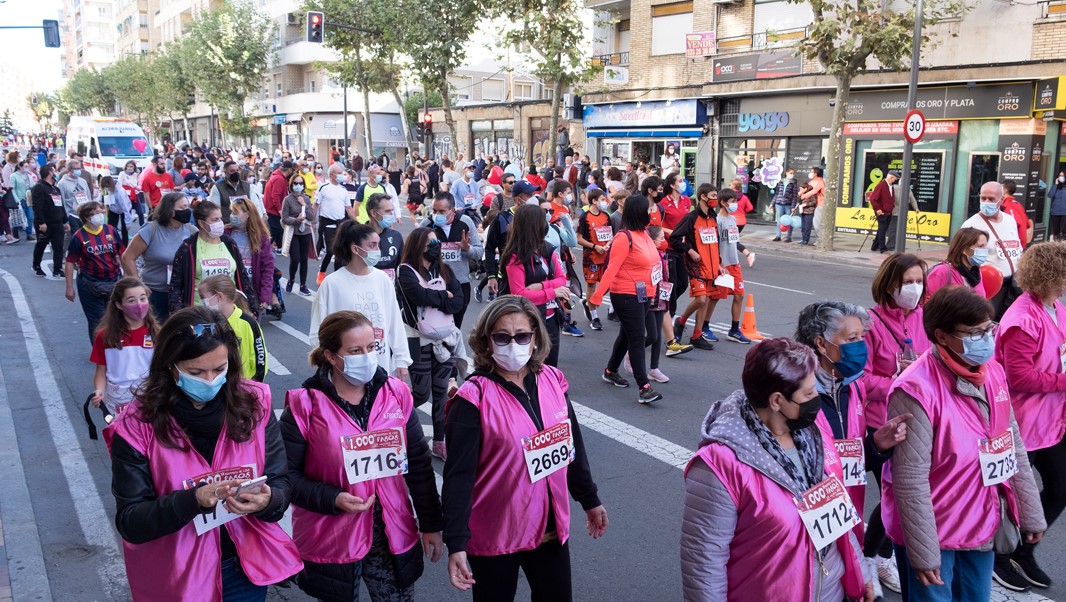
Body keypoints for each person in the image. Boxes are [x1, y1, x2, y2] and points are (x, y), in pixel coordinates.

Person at [106, 306, 302, 601]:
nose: (210, 380)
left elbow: (279, 483)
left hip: (243, 566)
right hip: (177, 576)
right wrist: (192, 501)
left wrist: (268, 500)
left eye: (219, 369)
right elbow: (131, 521)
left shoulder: (255, 403)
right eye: (196, 372)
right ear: (170, 366)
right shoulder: (136, 426)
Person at [882, 286, 1045, 601]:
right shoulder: (914, 390)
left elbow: (1011, 443)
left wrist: (1030, 511)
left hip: (982, 520)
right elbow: (910, 478)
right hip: (934, 531)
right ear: (942, 336)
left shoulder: (993, 372)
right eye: (975, 333)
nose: (986, 338)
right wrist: (925, 551)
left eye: (988, 329)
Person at [680, 337, 874, 601]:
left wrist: (861, 575)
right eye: (808, 393)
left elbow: (837, 516)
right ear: (777, 401)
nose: (816, 399)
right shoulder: (720, 466)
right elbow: (704, 564)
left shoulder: (814, 436)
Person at [442, 295, 608, 601]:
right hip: (496, 534)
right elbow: (459, 477)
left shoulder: (553, 380)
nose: (513, 344)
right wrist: (456, 542)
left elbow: (571, 448)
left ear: (535, 339)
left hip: (549, 530)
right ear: (487, 341)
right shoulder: (472, 398)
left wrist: (589, 499)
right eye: (502, 337)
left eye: (522, 336)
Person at [281, 310, 444, 600]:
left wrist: (431, 523)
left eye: (371, 348)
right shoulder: (304, 405)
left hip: (392, 532)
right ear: (331, 356)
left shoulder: (396, 393)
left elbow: (418, 463)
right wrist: (332, 498)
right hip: (332, 536)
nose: (367, 357)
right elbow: (285, 479)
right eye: (355, 351)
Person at [992, 241, 1066, 590]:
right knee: (1012, 495)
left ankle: (1024, 549)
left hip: (1052, 420)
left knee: (1060, 488)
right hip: (1022, 423)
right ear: (1051, 274)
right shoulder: (1022, 318)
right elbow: (1018, 377)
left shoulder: (1055, 307)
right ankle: (999, 555)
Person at [396, 227, 467, 459]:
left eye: (436, 242)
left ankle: (439, 442)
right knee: (421, 394)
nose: (435, 247)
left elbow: (458, 301)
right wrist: (443, 297)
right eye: (429, 243)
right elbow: (418, 296)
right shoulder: (406, 271)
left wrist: (442, 300)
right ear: (417, 245)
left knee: (441, 394)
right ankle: (393, 422)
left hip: (444, 340)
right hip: (419, 341)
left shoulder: (444, 270)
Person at [310, 221, 412, 381]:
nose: (377, 250)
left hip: (380, 365)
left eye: (378, 245)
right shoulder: (332, 284)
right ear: (355, 249)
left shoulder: (382, 279)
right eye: (372, 245)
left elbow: (394, 322)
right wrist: (328, 363)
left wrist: (402, 360)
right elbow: (318, 329)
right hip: (345, 370)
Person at [590, 196, 665, 404]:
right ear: (637, 213)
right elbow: (611, 268)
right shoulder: (624, 237)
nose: (652, 212)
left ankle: (610, 370)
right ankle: (644, 387)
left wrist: (652, 294)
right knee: (638, 337)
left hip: (643, 295)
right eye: (648, 210)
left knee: (630, 335)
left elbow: (653, 266)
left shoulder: (645, 235)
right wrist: (596, 297)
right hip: (625, 294)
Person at [499, 203, 570, 369]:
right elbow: (520, 294)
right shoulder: (514, 257)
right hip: (527, 320)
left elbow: (562, 278)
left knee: (551, 366)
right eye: (542, 218)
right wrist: (552, 292)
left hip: (551, 316)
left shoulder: (546, 249)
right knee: (531, 367)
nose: (546, 223)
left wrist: (541, 286)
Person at [169, 200, 257, 314]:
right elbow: (176, 286)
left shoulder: (229, 243)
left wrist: (252, 308)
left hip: (231, 312)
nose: (220, 223)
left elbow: (242, 277)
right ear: (201, 223)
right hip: (200, 314)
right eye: (215, 220)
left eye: (220, 218)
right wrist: (179, 315)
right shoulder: (188, 247)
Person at [121, 193, 197, 321]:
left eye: (187, 207)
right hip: (154, 292)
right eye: (183, 208)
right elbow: (127, 257)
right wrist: (138, 284)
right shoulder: (151, 230)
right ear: (171, 211)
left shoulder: (192, 231)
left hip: (182, 293)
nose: (187, 211)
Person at [692, 188, 753, 345]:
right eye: (732, 202)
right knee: (715, 297)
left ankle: (734, 329)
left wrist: (746, 253)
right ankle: (704, 326)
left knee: (739, 295)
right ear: (723, 203)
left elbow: (735, 241)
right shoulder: (717, 221)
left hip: (734, 263)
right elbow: (713, 243)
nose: (735, 204)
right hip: (722, 265)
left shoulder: (733, 220)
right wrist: (718, 263)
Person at [90, 277, 157, 416]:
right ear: (119, 305)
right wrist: (99, 390)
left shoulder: (158, 334)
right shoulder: (105, 337)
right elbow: (101, 371)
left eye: (143, 299)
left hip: (149, 398)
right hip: (117, 401)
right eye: (131, 300)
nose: (139, 305)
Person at [670, 185, 722, 351]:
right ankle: (681, 321)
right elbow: (675, 238)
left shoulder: (713, 217)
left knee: (705, 300)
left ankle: (697, 335)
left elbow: (715, 242)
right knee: (700, 299)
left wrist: (719, 263)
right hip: (696, 266)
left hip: (712, 266)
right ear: (703, 197)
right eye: (713, 195)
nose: (716, 199)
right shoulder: (691, 217)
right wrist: (690, 251)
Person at [65, 201, 127, 342]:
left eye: (101, 212)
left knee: (116, 317)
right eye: (97, 213)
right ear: (87, 217)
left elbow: (123, 254)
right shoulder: (79, 237)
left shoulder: (111, 230)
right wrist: (69, 287)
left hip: (114, 280)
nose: (101, 215)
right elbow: (70, 261)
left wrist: (129, 276)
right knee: (97, 321)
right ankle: (100, 353)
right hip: (90, 284)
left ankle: (115, 346)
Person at [961, 181, 1022, 319]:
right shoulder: (971, 224)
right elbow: (962, 258)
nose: (986, 202)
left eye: (991, 199)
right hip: (988, 287)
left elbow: (1017, 248)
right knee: (987, 322)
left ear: (1001, 199)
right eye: (983, 198)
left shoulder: (1009, 220)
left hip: (1012, 286)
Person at [422, 191, 483, 328]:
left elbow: (479, 252)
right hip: (434, 284)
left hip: (460, 283)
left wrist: (467, 249)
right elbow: (415, 253)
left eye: (442, 211)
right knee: (435, 327)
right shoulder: (427, 224)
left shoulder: (465, 222)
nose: (437, 215)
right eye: (434, 210)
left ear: (452, 210)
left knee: (455, 326)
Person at [198, 275, 267, 382]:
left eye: (203, 298)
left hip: (244, 388)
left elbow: (260, 358)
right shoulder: (206, 324)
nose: (202, 303)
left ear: (219, 296)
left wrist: (255, 386)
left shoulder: (248, 323)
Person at [227, 199, 277, 316]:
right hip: (231, 290)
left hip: (252, 289)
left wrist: (265, 296)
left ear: (247, 215)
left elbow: (267, 268)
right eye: (231, 212)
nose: (232, 216)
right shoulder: (226, 233)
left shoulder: (260, 237)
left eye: (235, 213)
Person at [313, 163, 354, 285]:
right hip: (327, 224)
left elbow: (349, 208)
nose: (342, 176)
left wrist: (358, 223)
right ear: (332, 175)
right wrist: (312, 221)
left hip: (340, 224)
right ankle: (321, 272)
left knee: (340, 251)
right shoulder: (323, 188)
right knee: (330, 251)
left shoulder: (343, 190)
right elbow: (316, 205)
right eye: (339, 173)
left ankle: (338, 277)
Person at [577, 189, 611, 331]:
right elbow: (578, 238)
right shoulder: (584, 217)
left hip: (605, 256)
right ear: (594, 201)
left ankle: (589, 302)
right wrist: (595, 246)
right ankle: (594, 316)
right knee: (591, 286)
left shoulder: (606, 216)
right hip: (591, 258)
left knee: (608, 284)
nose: (605, 202)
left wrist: (608, 244)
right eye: (602, 199)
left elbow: (610, 234)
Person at [925, 227, 988, 299]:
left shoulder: (976, 272)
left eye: (985, 246)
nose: (985, 251)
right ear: (965, 249)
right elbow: (927, 301)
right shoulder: (942, 271)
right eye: (980, 246)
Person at [31, 164, 69, 279]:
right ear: (49, 173)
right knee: (41, 244)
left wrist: (64, 221)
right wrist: (41, 222)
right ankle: (36, 266)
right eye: (54, 171)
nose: (56, 173)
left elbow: (60, 205)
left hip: (57, 223)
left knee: (58, 246)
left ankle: (57, 269)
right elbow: (37, 206)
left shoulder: (55, 188)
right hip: (45, 223)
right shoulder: (40, 187)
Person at [281, 173, 317, 296]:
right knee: (295, 259)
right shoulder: (287, 199)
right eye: (295, 183)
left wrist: (304, 205)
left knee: (304, 260)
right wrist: (297, 220)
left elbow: (312, 217)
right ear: (291, 185)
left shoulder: (306, 198)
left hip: (305, 232)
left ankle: (303, 285)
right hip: (294, 231)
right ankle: (291, 280)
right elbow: (284, 218)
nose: (298, 186)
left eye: (300, 183)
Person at [264, 160, 295, 250]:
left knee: (278, 229)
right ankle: (265, 247)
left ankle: (279, 246)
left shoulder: (277, 177)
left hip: (272, 208)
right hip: (273, 209)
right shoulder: (279, 179)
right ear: (289, 170)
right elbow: (275, 196)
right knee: (275, 229)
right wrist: (280, 209)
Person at [870, 171, 900, 253]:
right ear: (891, 177)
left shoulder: (891, 186)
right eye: (895, 179)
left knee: (882, 229)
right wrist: (878, 209)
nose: (895, 181)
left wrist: (891, 207)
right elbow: (873, 199)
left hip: (888, 212)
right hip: (882, 212)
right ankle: (882, 248)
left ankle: (874, 246)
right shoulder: (881, 185)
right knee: (882, 230)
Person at [1001, 180, 1033, 248]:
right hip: (1020, 243)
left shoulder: (1006, 205)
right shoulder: (1018, 204)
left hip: (1013, 245)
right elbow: (1027, 223)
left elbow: (1012, 225)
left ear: (1005, 190)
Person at [771, 169, 798, 242]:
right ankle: (778, 235)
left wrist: (793, 206)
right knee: (779, 220)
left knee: (789, 220)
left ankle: (788, 236)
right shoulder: (781, 181)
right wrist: (772, 203)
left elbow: (795, 196)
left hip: (788, 204)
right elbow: (777, 193)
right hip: (779, 203)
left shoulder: (793, 183)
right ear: (786, 173)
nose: (792, 174)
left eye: (793, 173)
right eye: (790, 173)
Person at [801, 166, 826, 241]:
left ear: (815, 173)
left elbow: (814, 191)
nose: (810, 173)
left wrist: (803, 196)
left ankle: (820, 240)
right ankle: (815, 240)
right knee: (811, 224)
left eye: (811, 172)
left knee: (817, 224)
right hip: (811, 205)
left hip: (819, 204)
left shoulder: (820, 182)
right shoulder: (811, 182)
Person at [1049, 171, 1066, 241]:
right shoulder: (1056, 187)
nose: (1061, 177)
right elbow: (1050, 195)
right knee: (1056, 232)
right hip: (1055, 212)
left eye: (1063, 176)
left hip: (1064, 212)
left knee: (1063, 231)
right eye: (1060, 175)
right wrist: (1055, 185)